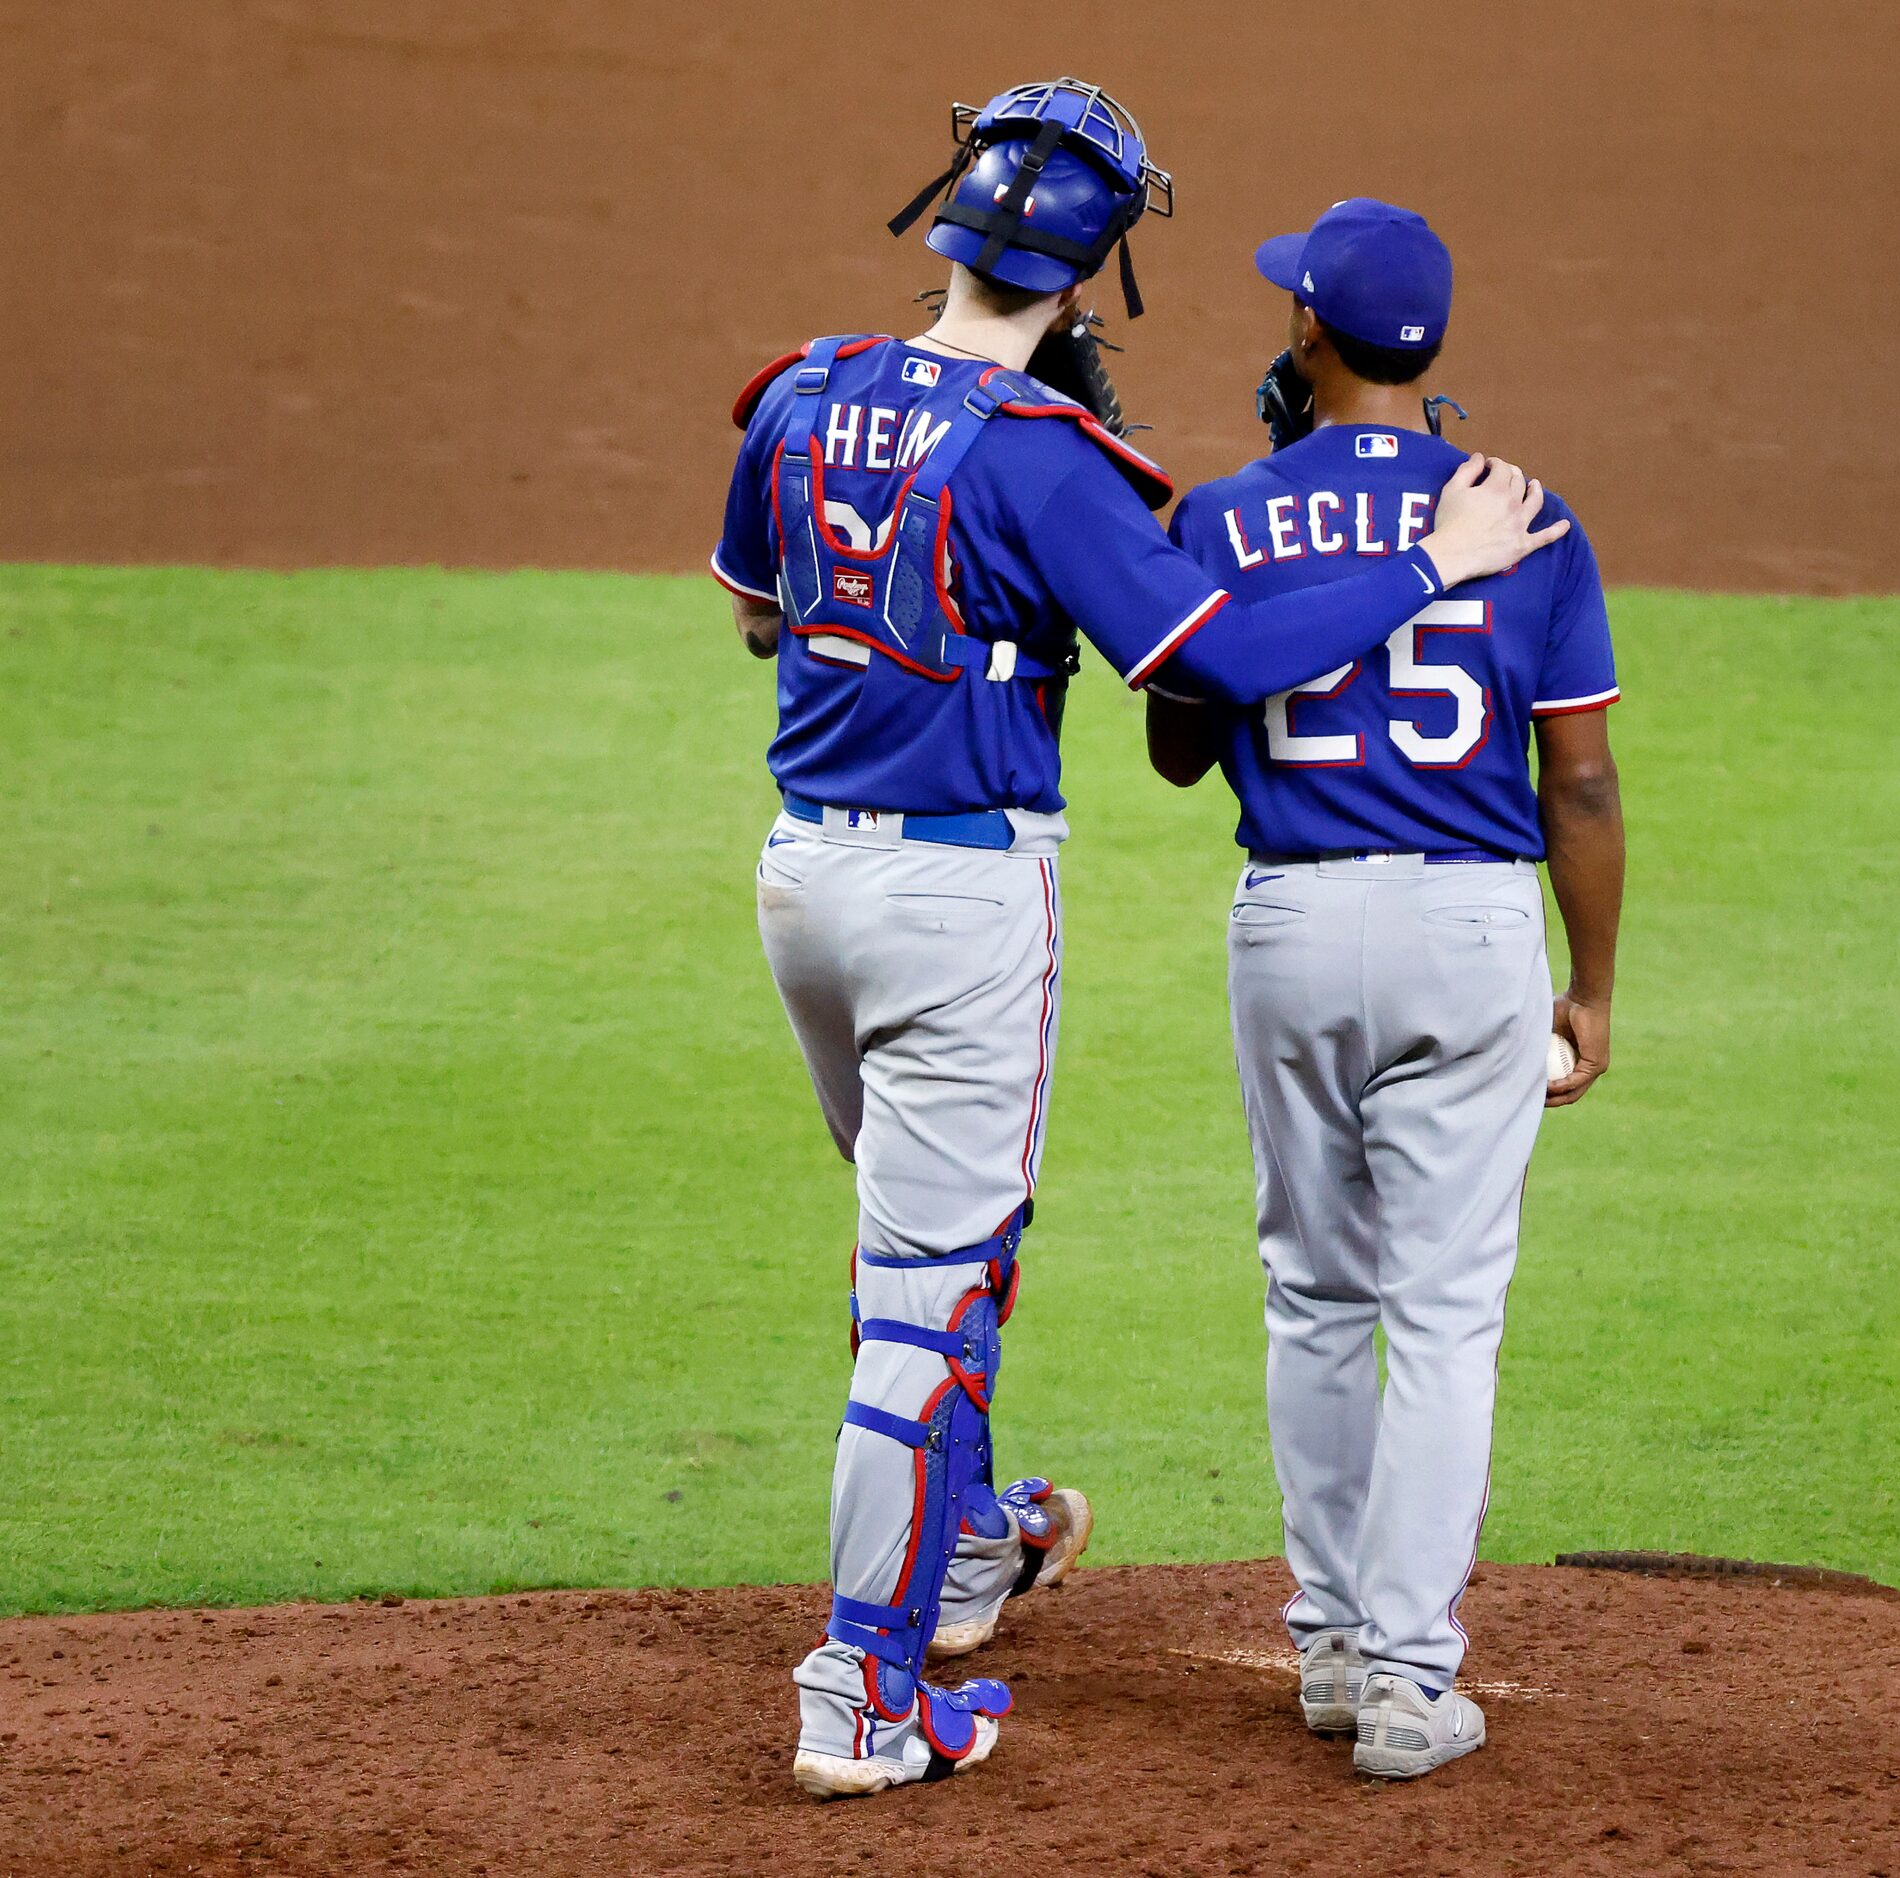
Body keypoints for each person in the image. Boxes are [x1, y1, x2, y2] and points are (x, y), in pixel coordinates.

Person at [709, 89, 1569, 1801]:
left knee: (914, 1246)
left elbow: (757, 607)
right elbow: (1215, 668)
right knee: (931, 1293)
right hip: (955, 902)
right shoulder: (1043, 458)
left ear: (944, 211)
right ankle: (866, 1685)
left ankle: (966, 1542)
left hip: (800, 881)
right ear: (1096, 263)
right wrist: (1428, 561)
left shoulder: (797, 393)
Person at [1145, 198, 1626, 1781]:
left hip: (1289, 924)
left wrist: (1252, 592)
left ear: (1306, 331)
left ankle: (1334, 1646)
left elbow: (1173, 742)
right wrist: (1594, 986)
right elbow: (1582, 787)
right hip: (1475, 932)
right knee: (1443, 1313)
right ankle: (1416, 1678)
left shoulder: (1225, 512)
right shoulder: (1532, 516)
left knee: (1314, 1289)